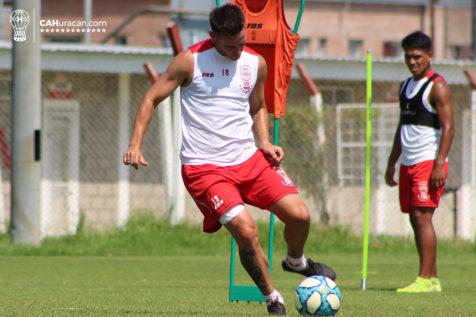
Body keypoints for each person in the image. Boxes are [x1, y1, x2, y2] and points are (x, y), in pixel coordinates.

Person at [123, 4, 336, 315]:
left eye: (241, 42)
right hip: (205, 168)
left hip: (248, 159)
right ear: (212, 37)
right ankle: (272, 298)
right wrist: (135, 144)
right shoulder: (190, 61)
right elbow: (151, 98)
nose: (237, 50)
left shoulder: (255, 63)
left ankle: (296, 261)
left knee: (300, 215)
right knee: (246, 232)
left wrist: (264, 142)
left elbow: (258, 107)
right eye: (229, 46)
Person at [385, 31, 454, 293]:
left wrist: (439, 164)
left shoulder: (437, 85)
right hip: (408, 163)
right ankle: (432, 278)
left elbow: (449, 128)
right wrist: (392, 163)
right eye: (408, 57)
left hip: (429, 162)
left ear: (429, 56)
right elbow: (402, 127)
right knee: (415, 219)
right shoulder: (405, 86)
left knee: (421, 216)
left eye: (417, 57)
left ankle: (424, 279)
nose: (412, 61)